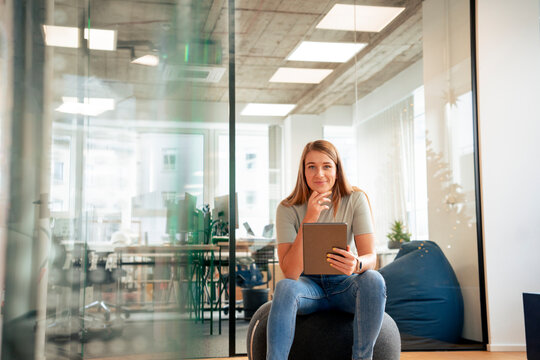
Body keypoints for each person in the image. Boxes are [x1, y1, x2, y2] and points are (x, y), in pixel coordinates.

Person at [266, 140, 386, 360]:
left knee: (374, 279)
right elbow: (290, 273)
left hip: (344, 285)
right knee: (284, 287)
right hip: (307, 288)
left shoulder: (355, 199)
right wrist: (309, 220)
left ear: (337, 169)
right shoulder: (287, 208)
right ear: (303, 171)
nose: (319, 173)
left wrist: (357, 263)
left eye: (326, 166)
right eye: (311, 166)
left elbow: (371, 257)